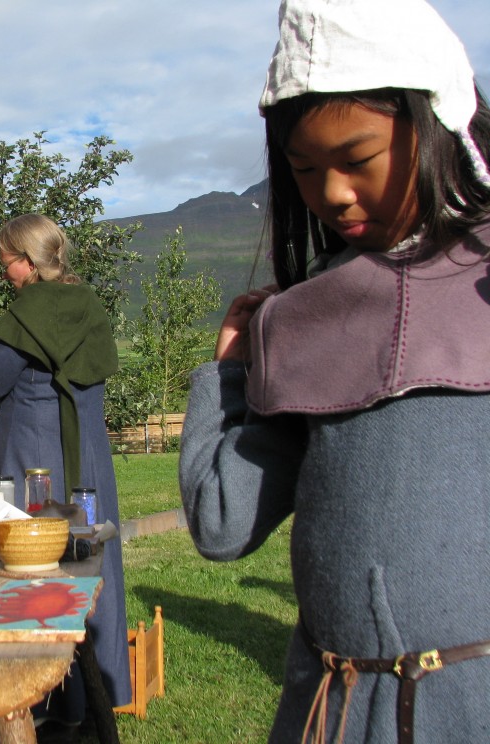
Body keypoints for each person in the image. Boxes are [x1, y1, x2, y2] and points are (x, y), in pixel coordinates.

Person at [178, 1, 490, 742]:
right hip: (337, 711)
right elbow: (222, 525)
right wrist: (230, 371)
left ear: (438, 124)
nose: (334, 194)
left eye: (358, 159)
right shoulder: (301, 317)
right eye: (305, 169)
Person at [0, 214, 132, 717]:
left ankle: (45, 704)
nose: (6, 275)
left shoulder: (28, 316)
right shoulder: (87, 305)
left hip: (36, 464)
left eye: (7, 264)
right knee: (88, 566)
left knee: (35, 572)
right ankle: (95, 698)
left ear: (27, 261)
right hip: (86, 458)